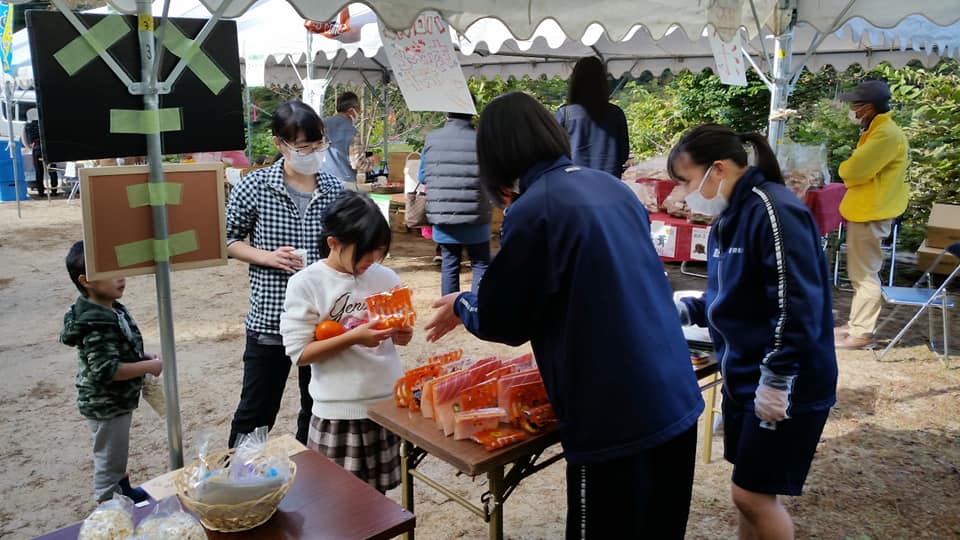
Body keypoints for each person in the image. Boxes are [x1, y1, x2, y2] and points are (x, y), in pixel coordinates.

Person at [425, 92, 704, 539]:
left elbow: (504, 320)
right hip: (674, 397)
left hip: (615, 417)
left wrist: (461, 303)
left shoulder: (537, 208)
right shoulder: (611, 186)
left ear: (494, 157)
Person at [669, 124, 838, 540]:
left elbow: (796, 303)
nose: (683, 193)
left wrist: (777, 379)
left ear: (719, 169)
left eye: (687, 181)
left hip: (784, 380)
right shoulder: (732, 216)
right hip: (745, 376)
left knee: (752, 495)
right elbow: (733, 296)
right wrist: (686, 309)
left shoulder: (773, 210)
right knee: (748, 492)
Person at [225, 100, 344, 447]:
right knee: (256, 412)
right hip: (270, 319)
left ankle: (311, 477)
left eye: (317, 144)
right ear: (280, 143)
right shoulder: (256, 186)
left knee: (317, 407)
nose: (311, 153)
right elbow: (227, 239)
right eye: (302, 146)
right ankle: (240, 483)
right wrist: (265, 256)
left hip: (322, 321)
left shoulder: (333, 189)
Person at [279, 191, 411, 492]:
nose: (371, 260)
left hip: (385, 404)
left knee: (378, 503)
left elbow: (401, 338)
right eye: (363, 251)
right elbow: (300, 354)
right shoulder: (306, 283)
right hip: (338, 412)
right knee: (337, 504)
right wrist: (354, 337)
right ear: (333, 243)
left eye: (377, 250)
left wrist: (403, 332)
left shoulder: (386, 277)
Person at [60, 241, 163, 504]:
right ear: (86, 281)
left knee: (116, 451)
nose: (121, 276)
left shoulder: (111, 307)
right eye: (110, 272)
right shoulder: (96, 322)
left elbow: (119, 350)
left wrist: (141, 358)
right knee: (109, 456)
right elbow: (108, 370)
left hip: (115, 401)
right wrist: (148, 367)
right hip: (106, 403)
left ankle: (122, 488)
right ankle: (109, 509)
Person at [834, 80, 909, 349]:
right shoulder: (877, 131)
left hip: (871, 213)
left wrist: (845, 169)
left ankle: (861, 332)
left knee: (864, 274)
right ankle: (856, 324)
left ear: (868, 108)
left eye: (855, 105)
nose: (852, 110)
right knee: (860, 272)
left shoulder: (885, 134)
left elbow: (853, 171)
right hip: (868, 210)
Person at [418, 108, 492, 295]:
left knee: (450, 264)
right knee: (481, 263)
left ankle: (449, 313)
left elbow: (422, 176)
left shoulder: (432, 139)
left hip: (443, 216)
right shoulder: (483, 140)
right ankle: (477, 312)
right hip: (477, 214)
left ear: (447, 113)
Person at [555, 56, 630, 178]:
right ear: (603, 81)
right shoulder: (616, 113)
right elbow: (623, 155)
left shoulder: (565, 113)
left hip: (575, 183)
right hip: (608, 183)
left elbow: (555, 153)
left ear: (575, 81)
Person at [320, 91, 379, 189]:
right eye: (359, 109)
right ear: (351, 110)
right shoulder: (351, 132)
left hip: (322, 182)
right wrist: (373, 160)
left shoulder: (322, 124)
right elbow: (358, 164)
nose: (359, 113)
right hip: (343, 186)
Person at [23, 108, 58, 196]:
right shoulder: (47, 123)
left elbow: (25, 140)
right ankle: (54, 190)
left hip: (36, 148)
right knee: (52, 170)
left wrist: (30, 148)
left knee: (39, 171)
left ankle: (41, 191)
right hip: (48, 148)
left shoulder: (27, 126)